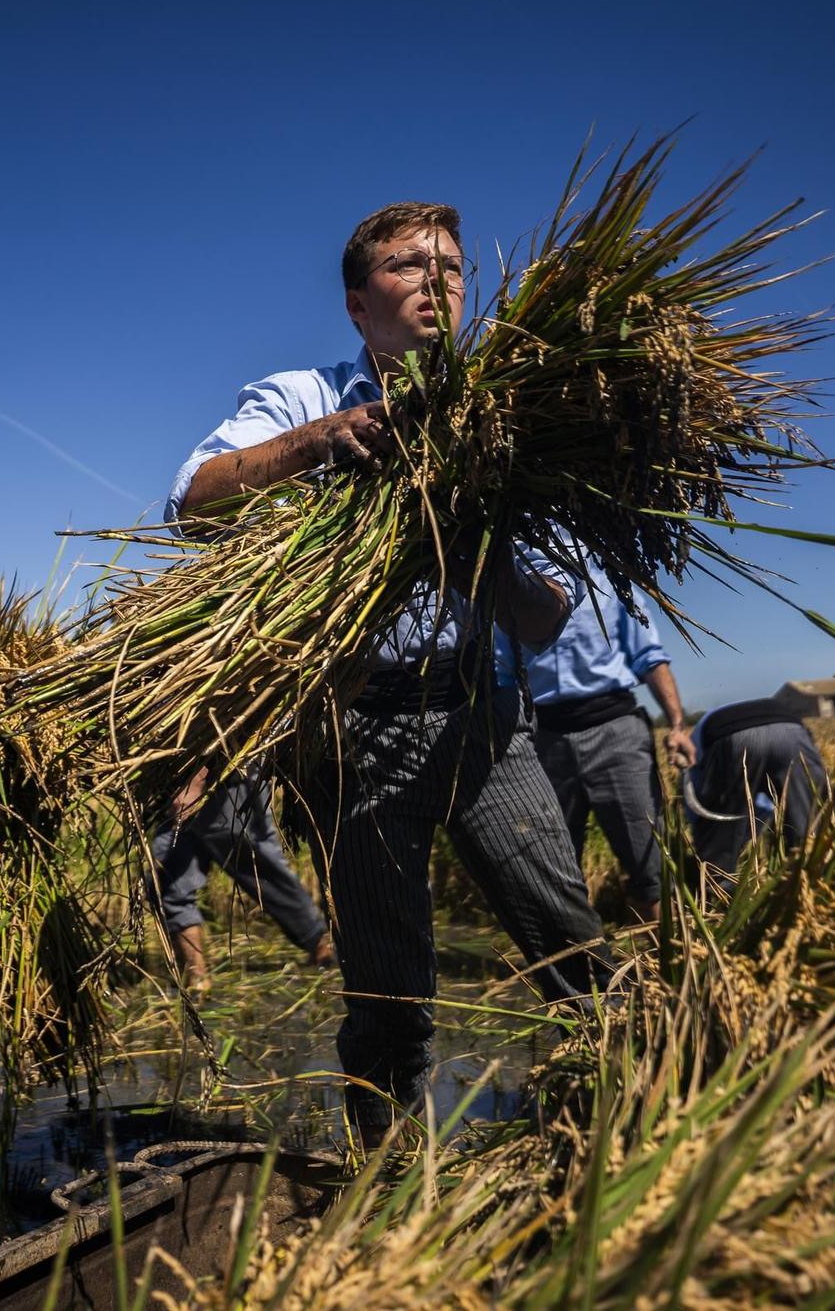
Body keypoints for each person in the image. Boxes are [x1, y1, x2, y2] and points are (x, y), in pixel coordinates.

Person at [167, 201, 609, 1144]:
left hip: (481, 718)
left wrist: (472, 551)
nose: (438, 280)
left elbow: (544, 616)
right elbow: (192, 501)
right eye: (409, 266)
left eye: (452, 266)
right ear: (359, 305)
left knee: (571, 944)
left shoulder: (515, 421)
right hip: (350, 735)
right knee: (389, 991)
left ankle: (606, 1138)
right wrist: (321, 441)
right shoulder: (302, 396)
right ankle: (390, 1189)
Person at [522, 576, 695, 923]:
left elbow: (650, 656)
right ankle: (578, 967)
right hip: (544, 738)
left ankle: (666, 965)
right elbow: (499, 667)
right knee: (552, 866)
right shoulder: (512, 582)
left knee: (649, 862)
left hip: (616, 732)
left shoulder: (612, 583)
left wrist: (677, 725)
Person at [148, 771, 333, 992]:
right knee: (166, 879)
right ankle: (196, 980)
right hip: (176, 786)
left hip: (227, 780)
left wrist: (196, 780)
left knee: (259, 868)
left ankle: (320, 945)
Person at [680, 699, 826, 881]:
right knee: (809, 825)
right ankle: (815, 878)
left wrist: (702, 833)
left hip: (733, 736)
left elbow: (697, 798)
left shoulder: (694, 743)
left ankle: (717, 891)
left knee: (720, 834)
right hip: (791, 731)